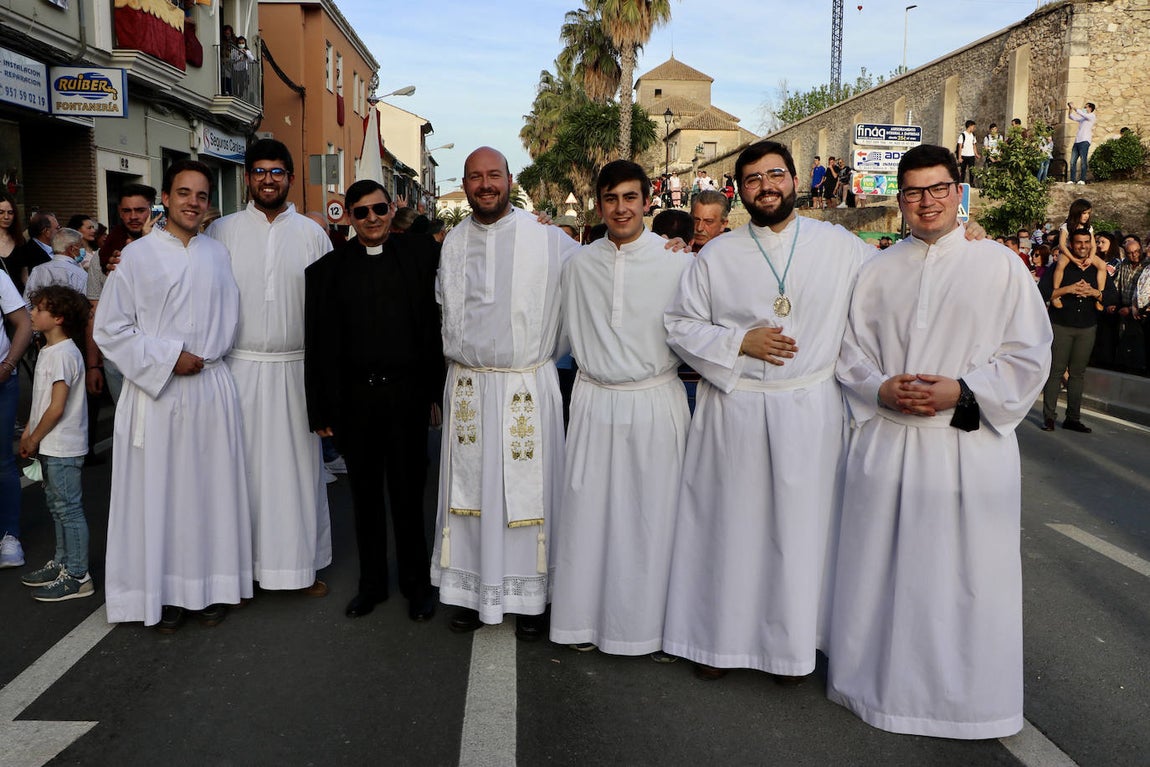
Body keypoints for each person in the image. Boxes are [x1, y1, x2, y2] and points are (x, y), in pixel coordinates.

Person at [828, 144, 1051, 739]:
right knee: (883, 575)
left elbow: (1029, 354)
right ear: (898, 200)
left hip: (966, 444)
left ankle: (968, 703)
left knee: (964, 582)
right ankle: (877, 689)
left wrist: (963, 390)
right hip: (890, 442)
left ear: (959, 192)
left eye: (938, 189)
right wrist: (879, 386)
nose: (926, 202)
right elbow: (849, 352)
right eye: (912, 192)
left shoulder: (999, 265)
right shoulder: (874, 270)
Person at [661, 140, 873, 683]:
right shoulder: (718, 254)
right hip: (735, 411)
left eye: (775, 174)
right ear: (740, 191)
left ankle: (790, 649)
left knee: (799, 536)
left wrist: (969, 238)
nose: (766, 186)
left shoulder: (841, 245)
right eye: (753, 180)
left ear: (795, 178)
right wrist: (738, 343)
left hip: (809, 411)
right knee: (729, 528)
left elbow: (895, 279)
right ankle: (717, 642)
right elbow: (681, 324)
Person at [94, 159, 252, 632]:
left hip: (211, 389)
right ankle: (162, 594)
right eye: (184, 193)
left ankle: (209, 589)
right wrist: (167, 356)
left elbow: (231, 317)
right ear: (166, 197)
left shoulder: (216, 255)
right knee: (161, 494)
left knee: (208, 493)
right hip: (158, 393)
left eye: (202, 196)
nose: (193, 203)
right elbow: (110, 328)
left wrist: (205, 357)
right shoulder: (138, 256)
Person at [431, 146, 579, 640]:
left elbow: (598, 269)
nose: (485, 184)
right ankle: (475, 592)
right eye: (475, 177)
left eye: (494, 175)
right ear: (466, 184)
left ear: (510, 179)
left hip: (525, 387)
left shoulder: (548, 239)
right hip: (470, 387)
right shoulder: (452, 242)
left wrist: (669, 247)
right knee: (468, 497)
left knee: (528, 495)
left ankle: (533, 597)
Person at [549, 160, 693, 657]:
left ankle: (650, 630)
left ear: (648, 200)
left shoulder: (679, 262)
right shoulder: (578, 264)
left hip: (655, 400)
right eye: (610, 198)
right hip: (592, 401)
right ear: (598, 204)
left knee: (652, 517)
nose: (621, 208)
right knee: (588, 514)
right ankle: (582, 621)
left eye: (630, 197)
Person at [304, 179, 443, 621]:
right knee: (364, 499)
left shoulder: (422, 256)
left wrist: (434, 393)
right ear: (347, 216)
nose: (372, 219)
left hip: (406, 397)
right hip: (356, 401)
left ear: (392, 209)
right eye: (360, 212)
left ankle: (417, 586)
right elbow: (318, 345)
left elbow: (437, 324)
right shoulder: (326, 272)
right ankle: (372, 586)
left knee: (408, 496)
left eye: (379, 209)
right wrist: (320, 408)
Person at [206, 139, 333, 598]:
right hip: (238, 370)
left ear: (290, 178)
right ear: (246, 177)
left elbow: (328, 312)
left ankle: (299, 567)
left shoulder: (312, 234)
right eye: (259, 171)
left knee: (297, 476)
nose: (267, 179)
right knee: (240, 475)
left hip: (296, 371)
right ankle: (239, 571)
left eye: (277, 171)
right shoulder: (220, 231)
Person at [18, 285, 92, 600]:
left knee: (69, 510)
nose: (32, 313)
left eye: (38, 309)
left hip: (61, 447)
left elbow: (57, 406)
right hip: (50, 445)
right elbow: (42, 402)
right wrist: (28, 433)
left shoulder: (63, 354)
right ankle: (63, 563)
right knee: (58, 508)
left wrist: (34, 436)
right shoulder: (51, 350)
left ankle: (78, 575)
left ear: (58, 317)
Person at [1039, 228, 1103, 433]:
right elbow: (1043, 292)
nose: (1082, 246)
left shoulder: (1096, 267)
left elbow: (1110, 295)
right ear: (1071, 245)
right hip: (1061, 325)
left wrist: (1094, 293)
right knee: (1055, 372)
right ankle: (1049, 417)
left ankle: (1073, 418)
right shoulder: (1059, 265)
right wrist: (1068, 289)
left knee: (1077, 374)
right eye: (1079, 243)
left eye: (1086, 242)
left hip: (1087, 327)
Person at [0, 260, 32, 570]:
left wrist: (8, 367)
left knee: (2, 462)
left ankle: (9, 536)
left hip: (0, 383)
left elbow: (24, 323)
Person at [1052, 199, 1104, 310]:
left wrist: (1090, 258)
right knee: (1060, 264)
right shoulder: (1066, 226)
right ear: (1077, 212)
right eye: (1084, 213)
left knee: (1102, 265)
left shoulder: (1089, 228)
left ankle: (1099, 295)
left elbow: (1094, 246)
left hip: (1085, 253)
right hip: (1068, 252)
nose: (1086, 216)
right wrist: (1072, 259)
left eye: (1088, 213)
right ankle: (1056, 294)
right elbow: (1061, 245)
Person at [23, 227, 89, 307]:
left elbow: (27, 303)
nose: (83, 249)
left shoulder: (37, 270)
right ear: (72, 249)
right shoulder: (80, 275)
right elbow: (86, 306)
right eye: (81, 246)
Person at [1067, 101, 1097, 185]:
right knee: (1073, 161)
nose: (1084, 109)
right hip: (1077, 141)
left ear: (1090, 108)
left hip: (1085, 141)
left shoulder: (1091, 116)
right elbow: (1071, 117)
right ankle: (1072, 179)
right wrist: (1070, 109)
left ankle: (1082, 179)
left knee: (1083, 161)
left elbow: (1083, 114)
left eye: (1085, 107)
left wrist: (1074, 107)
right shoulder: (1082, 119)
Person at [957, 120, 978, 185]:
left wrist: (976, 153)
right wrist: (959, 157)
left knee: (972, 171)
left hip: (971, 155)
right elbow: (960, 146)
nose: (974, 128)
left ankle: (971, 183)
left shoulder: (973, 135)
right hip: (964, 155)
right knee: (963, 171)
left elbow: (974, 145)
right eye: (973, 127)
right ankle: (961, 183)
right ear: (970, 126)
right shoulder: (963, 135)